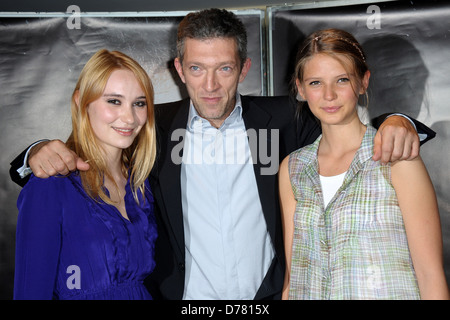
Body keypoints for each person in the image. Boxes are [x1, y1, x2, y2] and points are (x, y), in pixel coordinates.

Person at [10, 9, 434, 300]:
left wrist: (399, 119)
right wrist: (33, 153)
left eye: (224, 68)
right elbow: (90, 142)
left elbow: (343, 118)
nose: (210, 84)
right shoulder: (149, 125)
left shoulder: (283, 117)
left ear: (244, 68)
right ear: (179, 69)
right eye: (197, 68)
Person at [279, 29, 449, 299]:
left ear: (363, 82)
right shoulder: (293, 168)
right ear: (300, 88)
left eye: (342, 80)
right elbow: (294, 278)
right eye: (315, 83)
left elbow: (431, 277)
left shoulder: (396, 157)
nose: (329, 95)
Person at [13, 49, 158, 300]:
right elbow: (30, 290)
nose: (129, 117)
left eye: (139, 103)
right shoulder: (51, 185)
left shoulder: (141, 183)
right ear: (81, 101)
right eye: (114, 101)